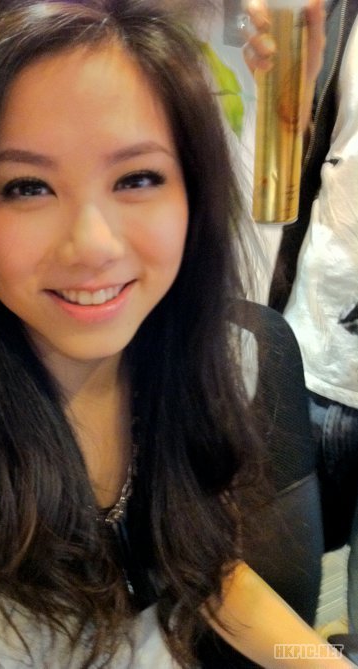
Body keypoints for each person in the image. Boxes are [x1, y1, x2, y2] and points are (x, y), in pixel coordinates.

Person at [0, 0, 354, 667]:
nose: (93, 245)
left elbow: (206, 572)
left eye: (138, 178)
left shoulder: (198, 367)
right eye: (26, 187)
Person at [252, 0, 358, 634]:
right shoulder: (336, 14)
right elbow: (289, 176)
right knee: (266, 601)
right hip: (304, 358)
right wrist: (282, 104)